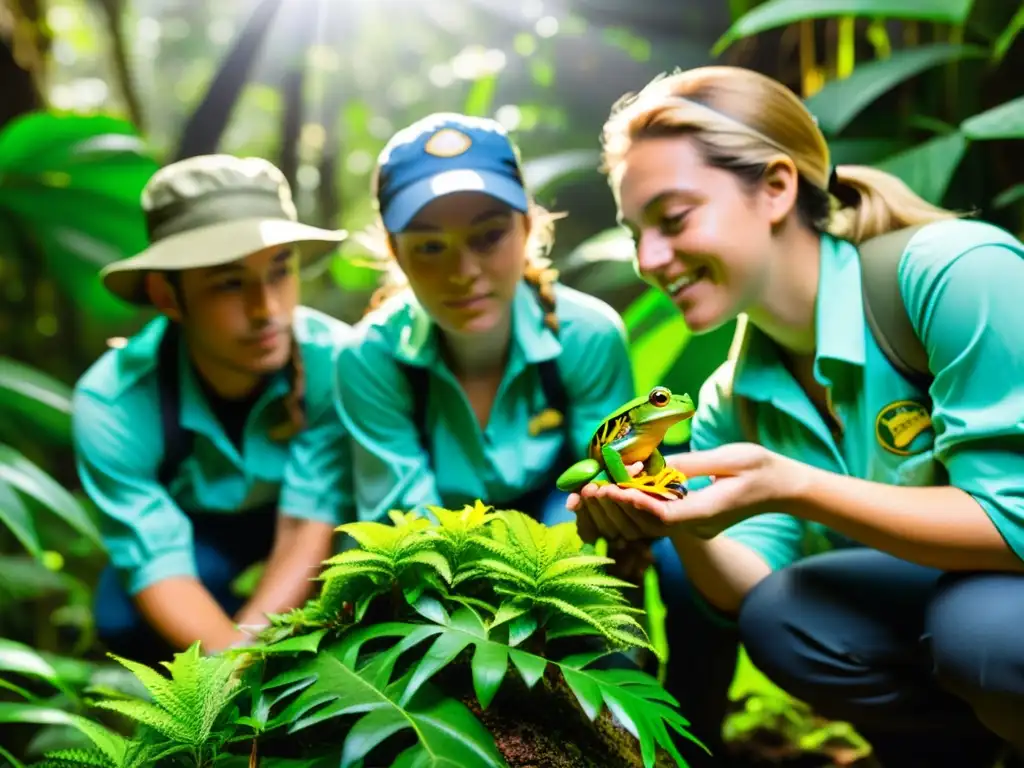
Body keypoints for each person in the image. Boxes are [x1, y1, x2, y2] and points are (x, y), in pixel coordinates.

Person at [567, 65, 1024, 768]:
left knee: (984, 634)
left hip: (998, 605)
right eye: (636, 234)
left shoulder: (954, 274)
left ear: (777, 188)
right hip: (948, 596)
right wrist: (674, 517)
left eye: (675, 218)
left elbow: (1013, 521)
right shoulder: (733, 394)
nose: (650, 259)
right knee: (783, 617)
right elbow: (749, 589)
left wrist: (793, 483)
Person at [72, 154, 354, 665]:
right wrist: (234, 671)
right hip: (200, 531)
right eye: (228, 283)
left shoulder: (336, 363)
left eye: (279, 270)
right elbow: (157, 562)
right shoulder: (114, 402)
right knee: (121, 615)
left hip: (310, 519)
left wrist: (246, 657)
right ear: (168, 296)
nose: (267, 309)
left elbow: (307, 523)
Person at [332, 112, 635, 529]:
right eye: (431, 247)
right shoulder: (370, 358)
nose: (464, 272)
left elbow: (604, 485)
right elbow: (405, 519)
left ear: (526, 228)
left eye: (488, 236)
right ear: (396, 253)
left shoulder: (587, 335)